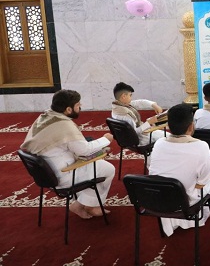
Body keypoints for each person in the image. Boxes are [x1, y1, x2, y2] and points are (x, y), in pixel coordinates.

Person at [21, 90, 115, 219]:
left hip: (46, 174)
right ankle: (87, 205)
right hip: (63, 175)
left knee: (97, 165)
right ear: (68, 109)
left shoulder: (45, 117)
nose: (80, 107)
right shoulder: (64, 125)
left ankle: (84, 203)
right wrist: (105, 139)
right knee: (107, 168)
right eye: (78, 105)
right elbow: (84, 150)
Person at [149, 103, 210, 236]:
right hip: (185, 203)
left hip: (159, 198)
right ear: (191, 126)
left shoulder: (159, 143)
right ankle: (205, 208)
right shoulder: (201, 146)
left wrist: (209, 160)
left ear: (168, 126)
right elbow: (201, 183)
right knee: (209, 184)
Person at [111, 82, 163, 146]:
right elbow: (135, 132)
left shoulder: (117, 107)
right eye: (130, 95)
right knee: (167, 137)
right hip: (140, 140)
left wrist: (154, 105)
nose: (131, 98)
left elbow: (139, 102)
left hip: (125, 140)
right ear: (124, 96)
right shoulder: (126, 115)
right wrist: (149, 123)